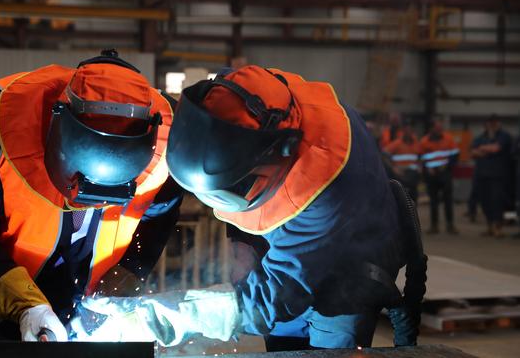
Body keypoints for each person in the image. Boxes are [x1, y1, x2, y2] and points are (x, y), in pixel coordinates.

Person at [76, 66, 427, 350]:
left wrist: (159, 317)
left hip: (349, 268)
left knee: (326, 342)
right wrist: (242, 242)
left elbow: (272, 299)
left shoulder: (324, 190)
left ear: (277, 155)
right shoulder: (238, 100)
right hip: (292, 244)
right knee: (282, 338)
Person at [0, 50, 182, 348]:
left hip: (89, 301)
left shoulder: (169, 132)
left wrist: (126, 275)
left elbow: (158, 216)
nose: (92, 206)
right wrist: (28, 306)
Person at [471, 115, 512, 238]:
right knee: (485, 201)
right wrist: (486, 150)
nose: (492, 125)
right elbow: (473, 152)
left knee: (497, 201)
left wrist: (482, 149)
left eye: (495, 123)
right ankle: (489, 226)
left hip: (497, 175)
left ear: (498, 124)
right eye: (490, 122)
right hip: (482, 174)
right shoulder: (481, 137)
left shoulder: (504, 136)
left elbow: (496, 149)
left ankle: (498, 227)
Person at [420, 119, 460, 235]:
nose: (439, 130)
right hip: (431, 175)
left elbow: (455, 155)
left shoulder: (448, 139)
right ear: (431, 129)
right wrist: (427, 169)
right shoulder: (424, 142)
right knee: (433, 201)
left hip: (445, 174)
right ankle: (434, 226)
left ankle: (450, 225)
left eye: (440, 128)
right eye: (437, 128)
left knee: (448, 200)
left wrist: (447, 167)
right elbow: (421, 158)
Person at [383, 118, 421, 203]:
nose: (408, 131)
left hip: (413, 176)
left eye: (410, 129)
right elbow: (384, 155)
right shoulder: (397, 143)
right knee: (402, 201)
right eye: (406, 129)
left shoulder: (416, 143)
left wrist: (420, 166)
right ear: (403, 130)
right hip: (401, 176)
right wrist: (393, 168)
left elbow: (420, 156)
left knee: (414, 201)